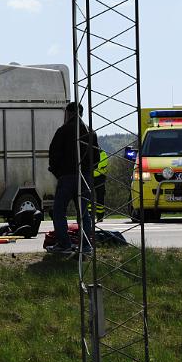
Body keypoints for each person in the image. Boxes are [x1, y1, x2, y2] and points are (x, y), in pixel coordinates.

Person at [48, 101, 99, 252]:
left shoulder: (62, 131)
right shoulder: (91, 132)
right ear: (81, 113)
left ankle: (64, 244)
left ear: (68, 113)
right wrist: (88, 172)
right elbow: (96, 157)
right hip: (85, 178)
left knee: (59, 211)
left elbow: (53, 155)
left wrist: (58, 173)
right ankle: (86, 245)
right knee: (84, 213)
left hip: (67, 177)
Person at [92, 148, 109, 222]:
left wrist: (95, 166)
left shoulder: (102, 152)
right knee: (88, 197)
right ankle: (89, 214)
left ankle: (100, 216)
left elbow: (104, 162)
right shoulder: (88, 151)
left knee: (100, 197)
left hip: (100, 177)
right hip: (90, 177)